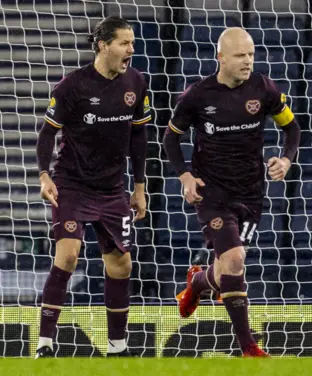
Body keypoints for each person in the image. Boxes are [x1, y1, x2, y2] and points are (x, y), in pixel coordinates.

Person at [163, 27, 301, 357]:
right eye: (240, 55)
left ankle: (197, 284)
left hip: (251, 193)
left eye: (251, 54)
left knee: (227, 268)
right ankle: (249, 347)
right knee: (236, 260)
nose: (248, 61)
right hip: (212, 194)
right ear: (220, 58)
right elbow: (171, 139)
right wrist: (185, 176)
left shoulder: (263, 88)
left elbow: (292, 128)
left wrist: (285, 159)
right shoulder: (197, 96)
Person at [35, 16, 151, 358]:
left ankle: (118, 347)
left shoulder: (136, 82)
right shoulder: (73, 86)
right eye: (124, 43)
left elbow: (139, 136)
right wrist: (45, 176)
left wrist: (140, 185)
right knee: (68, 256)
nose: (131, 49)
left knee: (121, 266)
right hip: (71, 185)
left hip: (113, 190)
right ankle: (45, 344)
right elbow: (47, 134)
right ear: (102, 45)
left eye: (132, 43)